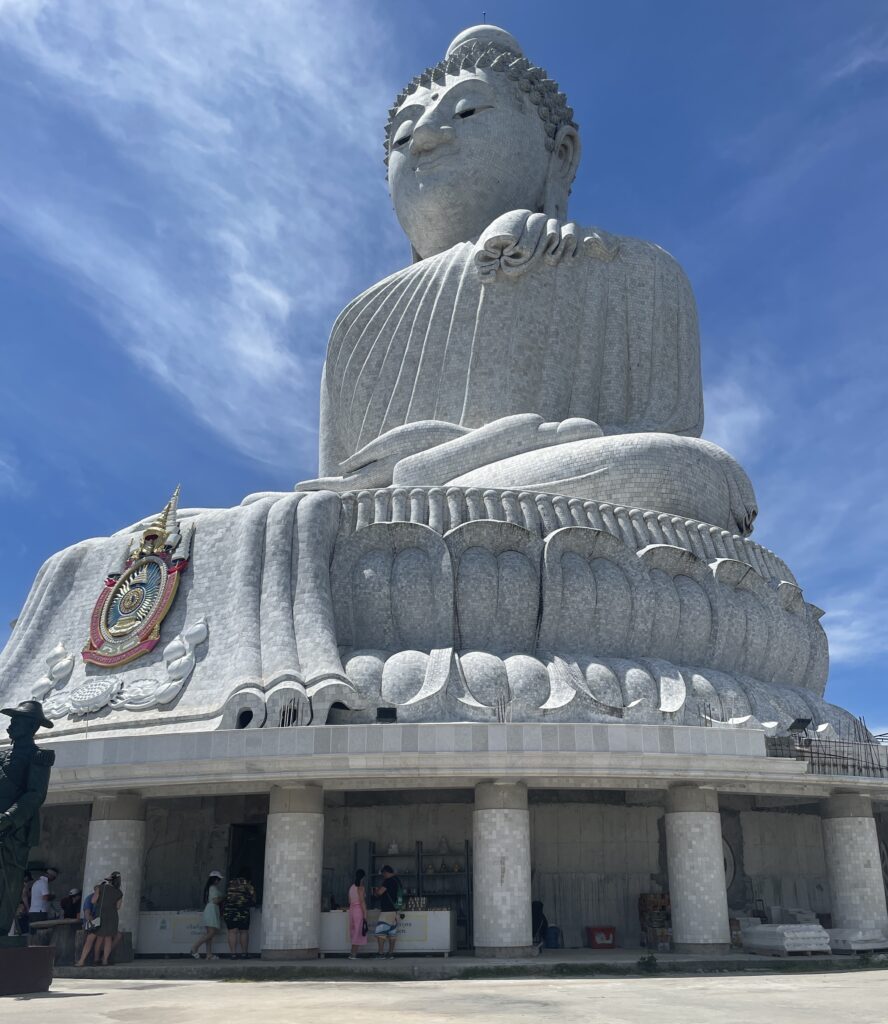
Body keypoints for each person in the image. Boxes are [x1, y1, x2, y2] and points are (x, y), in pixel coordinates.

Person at [0, 701, 55, 938]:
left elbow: (35, 794)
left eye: (16, 721)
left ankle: (1, 928)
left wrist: (9, 817)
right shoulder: (2, 755)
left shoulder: (39, 756)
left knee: (8, 881)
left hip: (15, 830)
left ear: (32, 726)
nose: (10, 725)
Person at [76, 871, 123, 967]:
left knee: (92, 937)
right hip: (112, 917)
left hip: (100, 917)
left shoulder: (100, 888)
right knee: (108, 938)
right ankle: (104, 960)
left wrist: (98, 893)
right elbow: (118, 907)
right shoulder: (119, 892)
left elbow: (93, 901)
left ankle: (82, 961)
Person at [222, 868, 256, 960]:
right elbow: (254, 898)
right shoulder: (248, 884)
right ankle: (244, 953)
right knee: (243, 932)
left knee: (232, 932)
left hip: (229, 911)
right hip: (242, 911)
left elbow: (226, 896)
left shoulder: (230, 883)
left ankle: (233, 954)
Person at [191, 870, 224, 959]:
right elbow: (215, 900)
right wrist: (223, 897)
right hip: (212, 911)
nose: (219, 881)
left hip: (210, 910)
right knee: (211, 933)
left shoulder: (209, 887)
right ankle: (195, 947)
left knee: (209, 934)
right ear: (214, 879)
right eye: (218, 879)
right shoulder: (213, 888)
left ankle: (209, 954)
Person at [373, 865, 402, 959]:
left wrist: (376, 890)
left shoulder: (388, 881)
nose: (383, 876)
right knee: (392, 933)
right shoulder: (398, 881)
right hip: (396, 911)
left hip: (387, 911)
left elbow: (380, 893)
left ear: (386, 872)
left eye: (383, 874)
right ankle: (390, 953)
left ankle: (380, 953)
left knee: (381, 932)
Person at [347, 868, 368, 959]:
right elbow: (362, 901)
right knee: (357, 932)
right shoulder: (361, 887)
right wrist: (365, 914)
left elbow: (349, 900)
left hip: (352, 910)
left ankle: (352, 953)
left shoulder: (351, 887)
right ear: (363, 877)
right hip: (358, 910)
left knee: (353, 931)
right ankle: (353, 953)